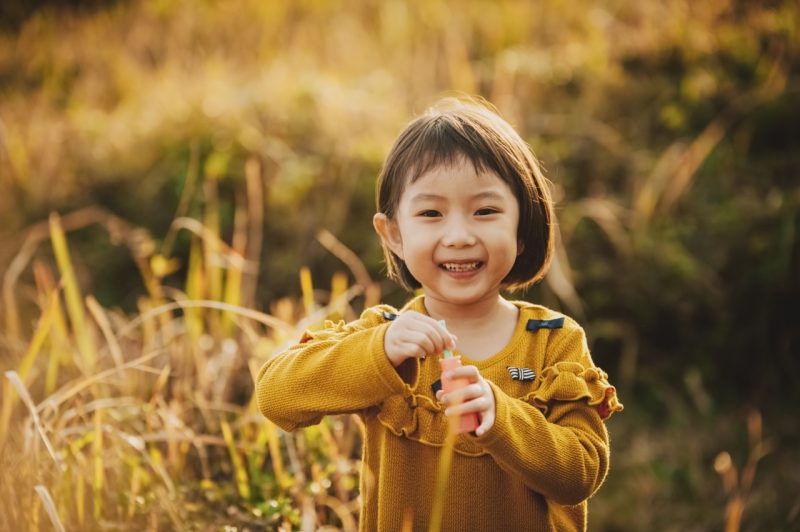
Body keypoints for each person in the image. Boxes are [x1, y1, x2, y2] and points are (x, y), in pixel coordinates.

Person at [256, 97, 623, 531]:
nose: (459, 236)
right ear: (392, 234)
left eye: (485, 211)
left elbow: (580, 474)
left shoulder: (554, 341)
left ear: (523, 230)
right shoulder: (386, 337)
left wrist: (501, 417)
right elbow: (276, 397)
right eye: (431, 213)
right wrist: (379, 351)